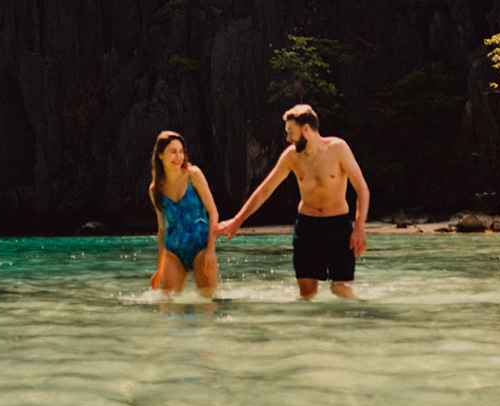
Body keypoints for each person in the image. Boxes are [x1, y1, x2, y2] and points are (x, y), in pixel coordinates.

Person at [216, 103, 369, 298]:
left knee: (340, 288)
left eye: (291, 132)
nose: (288, 138)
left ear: (306, 129)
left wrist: (359, 226)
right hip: (307, 227)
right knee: (307, 292)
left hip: (338, 226)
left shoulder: (338, 148)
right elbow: (265, 190)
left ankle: (362, 316)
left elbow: (362, 188)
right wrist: (237, 221)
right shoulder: (291, 157)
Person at [147, 130, 219, 298]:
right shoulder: (155, 189)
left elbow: (213, 212)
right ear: (160, 155)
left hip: (201, 246)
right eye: (173, 152)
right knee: (167, 304)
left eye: (181, 151)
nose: (178, 157)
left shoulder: (193, 175)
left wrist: (211, 249)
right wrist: (160, 268)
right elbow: (162, 230)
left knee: (207, 301)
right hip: (174, 250)